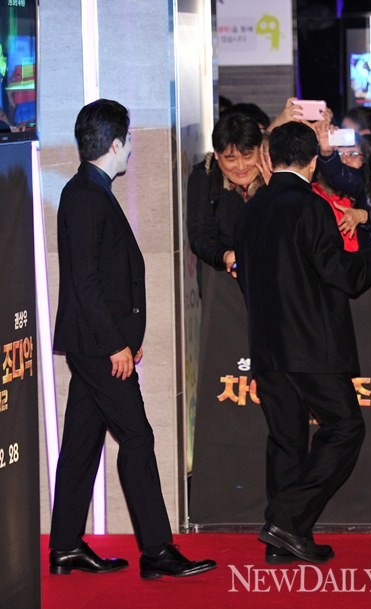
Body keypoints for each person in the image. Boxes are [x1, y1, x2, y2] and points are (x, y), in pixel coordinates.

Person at [49, 99, 216, 579]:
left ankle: (65, 547)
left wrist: (124, 337)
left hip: (97, 344)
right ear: (116, 143)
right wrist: (114, 344)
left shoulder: (90, 190)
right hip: (98, 348)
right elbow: (86, 284)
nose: (132, 148)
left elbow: (102, 279)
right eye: (131, 139)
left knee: (81, 445)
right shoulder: (86, 195)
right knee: (138, 438)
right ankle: (157, 551)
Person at [233, 121, 371, 564]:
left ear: (271, 159)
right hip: (311, 346)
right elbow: (342, 274)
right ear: (311, 162)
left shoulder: (250, 209)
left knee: (286, 440)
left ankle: (283, 543)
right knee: (345, 428)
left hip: (266, 346)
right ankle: (285, 521)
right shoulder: (311, 207)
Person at [187, 112, 268, 525]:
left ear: (261, 151)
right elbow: (200, 236)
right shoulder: (205, 177)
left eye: (246, 156)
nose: (237, 166)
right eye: (228, 158)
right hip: (224, 300)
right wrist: (227, 257)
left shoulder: (277, 175)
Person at [317, 124, 371, 248]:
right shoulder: (366, 182)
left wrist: (364, 216)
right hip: (370, 259)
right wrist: (327, 152)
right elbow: (338, 174)